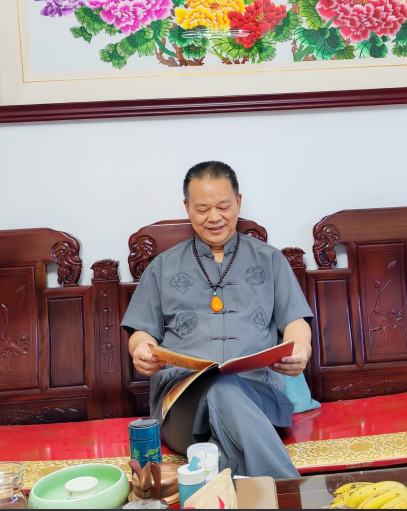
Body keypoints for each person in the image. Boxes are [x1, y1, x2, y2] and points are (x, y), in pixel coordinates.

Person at [121, 161, 313, 479]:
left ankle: (217, 482)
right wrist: (140, 349)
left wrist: (301, 348)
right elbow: (141, 332)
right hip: (182, 403)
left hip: (257, 400)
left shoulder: (270, 260)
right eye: (202, 208)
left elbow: (295, 320)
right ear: (187, 208)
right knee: (221, 388)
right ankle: (287, 489)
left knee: (224, 403)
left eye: (223, 206)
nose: (214, 217)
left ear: (238, 202)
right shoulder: (162, 267)